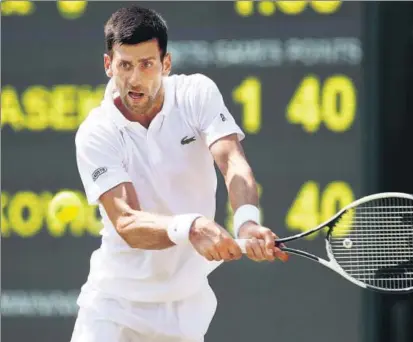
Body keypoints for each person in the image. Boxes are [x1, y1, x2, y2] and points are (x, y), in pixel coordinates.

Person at [71, 5, 288, 342]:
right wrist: (191, 226)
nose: (135, 78)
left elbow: (231, 161)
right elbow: (127, 222)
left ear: (166, 65)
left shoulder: (196, 94)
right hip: (113, 310)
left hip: (187, 310)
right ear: (108, 65)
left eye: (147, 65)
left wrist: (246, 220)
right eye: (125, 65)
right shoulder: (96, 132)